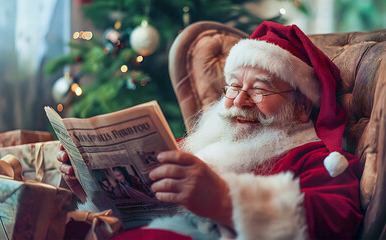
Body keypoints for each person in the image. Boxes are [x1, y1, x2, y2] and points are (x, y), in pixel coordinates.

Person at [58, 21, 363, 239]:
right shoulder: (194, 146)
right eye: (233, 87)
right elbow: (139, 206)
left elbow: (335, 221)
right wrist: (89, 184)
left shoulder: (318, 159)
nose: (240, 100)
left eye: (259, 90)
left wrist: (225, 200)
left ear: (300, 108)